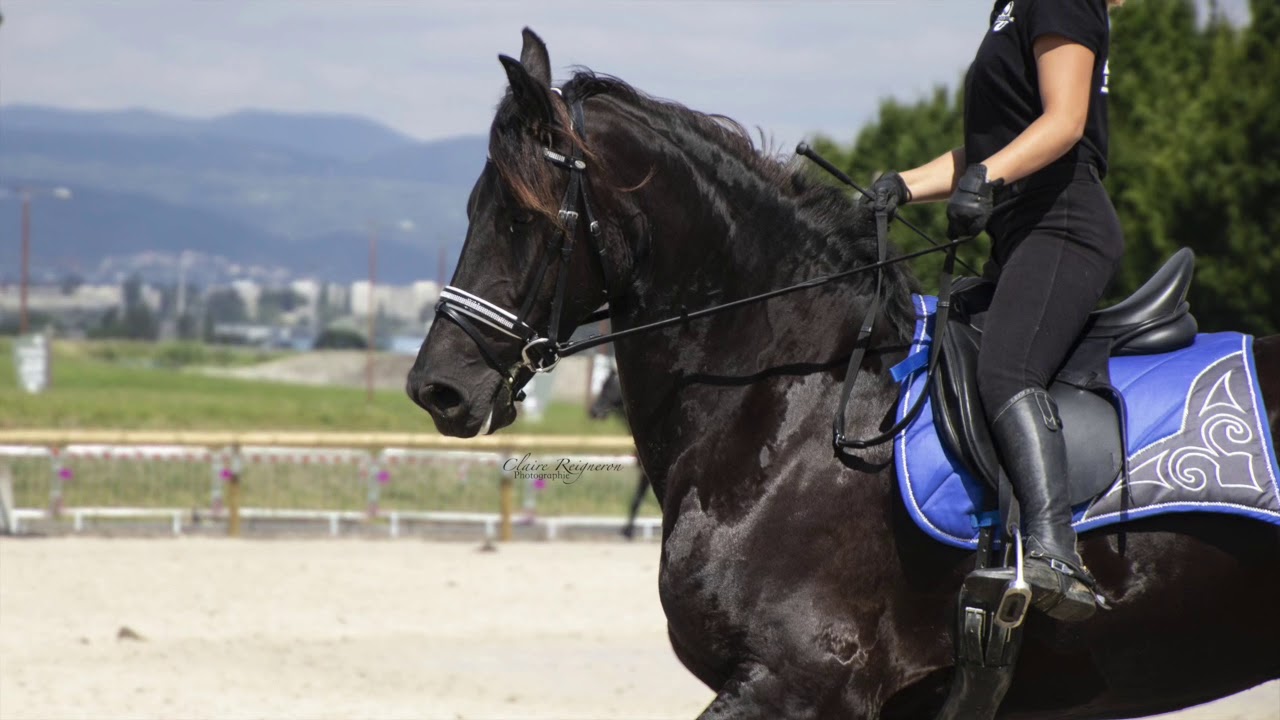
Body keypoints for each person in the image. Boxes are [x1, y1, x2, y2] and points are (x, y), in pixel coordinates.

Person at [871, 0, 1125, 621]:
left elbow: (1065, 122)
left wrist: (986, 178)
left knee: (1008, 370)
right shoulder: (1008, 10)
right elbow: (989, 148)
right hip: (1019, 231)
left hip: (1063, 223)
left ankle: (1054, 552)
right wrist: (901, 185)